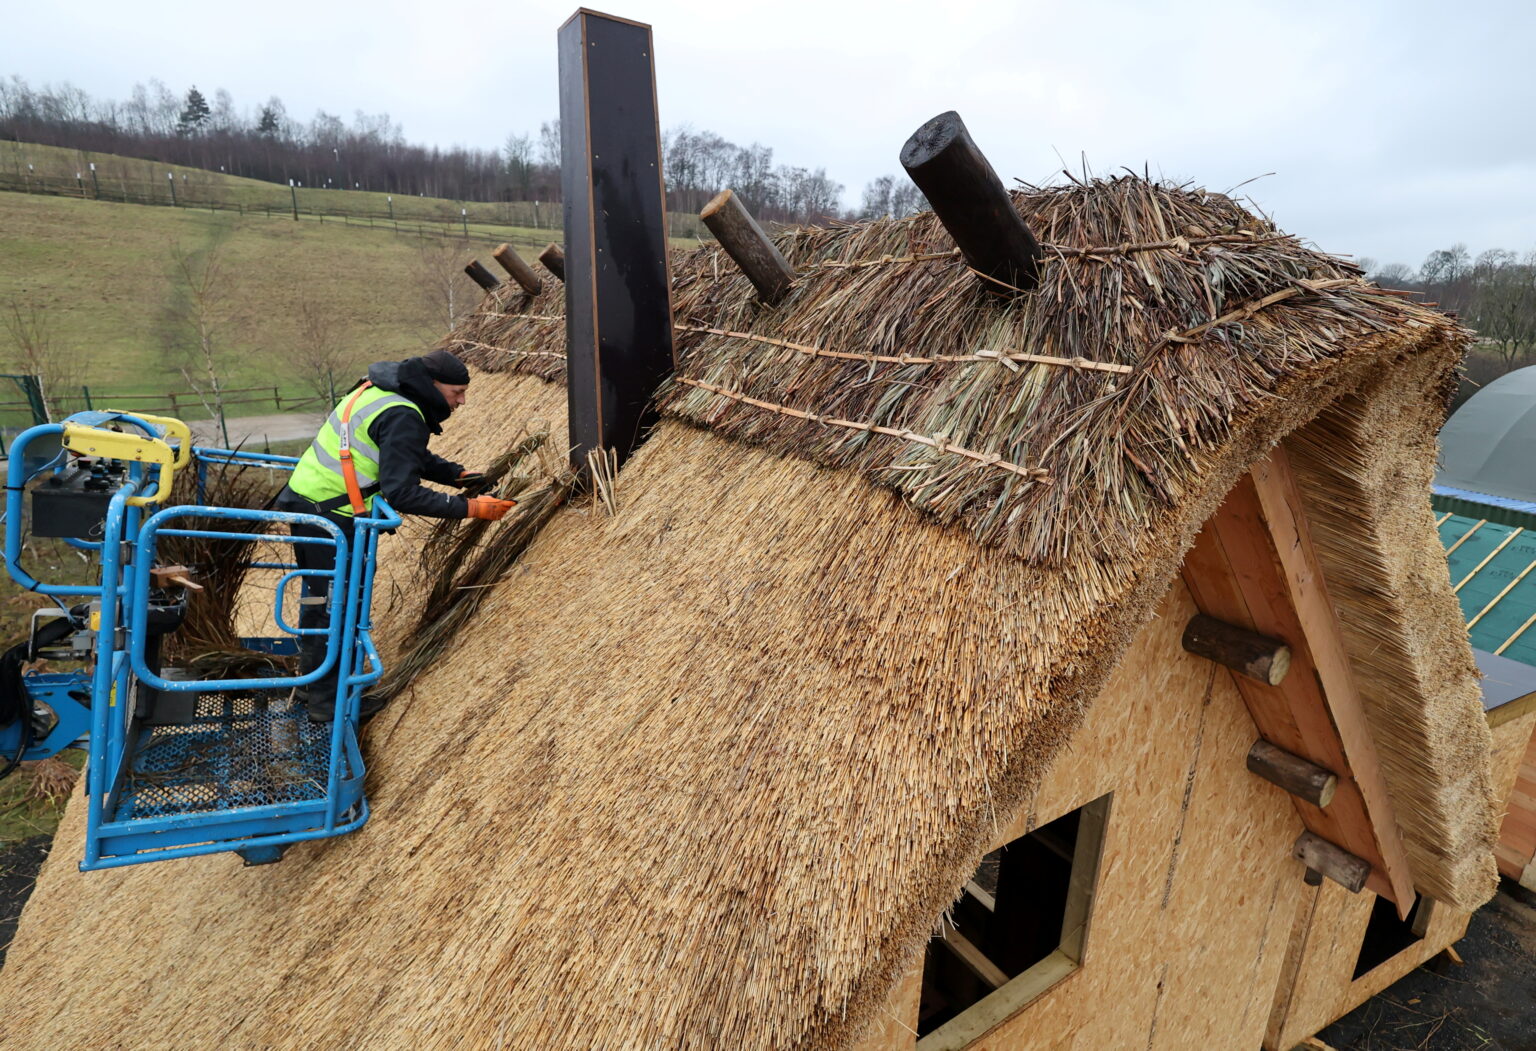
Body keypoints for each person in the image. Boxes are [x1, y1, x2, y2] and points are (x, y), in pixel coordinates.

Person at [275, 349, 516, 722]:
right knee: (338, 606)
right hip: (333, 516)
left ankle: (313, 686)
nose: (462, 402)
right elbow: (402, 491)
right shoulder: (405, 414)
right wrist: (472, 508)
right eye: (457, 393)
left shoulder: (381, 392)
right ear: (434, 386)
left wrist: (456, 474)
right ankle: (327, 706)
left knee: (320, 599)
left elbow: (401, 454)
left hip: (307, 502)